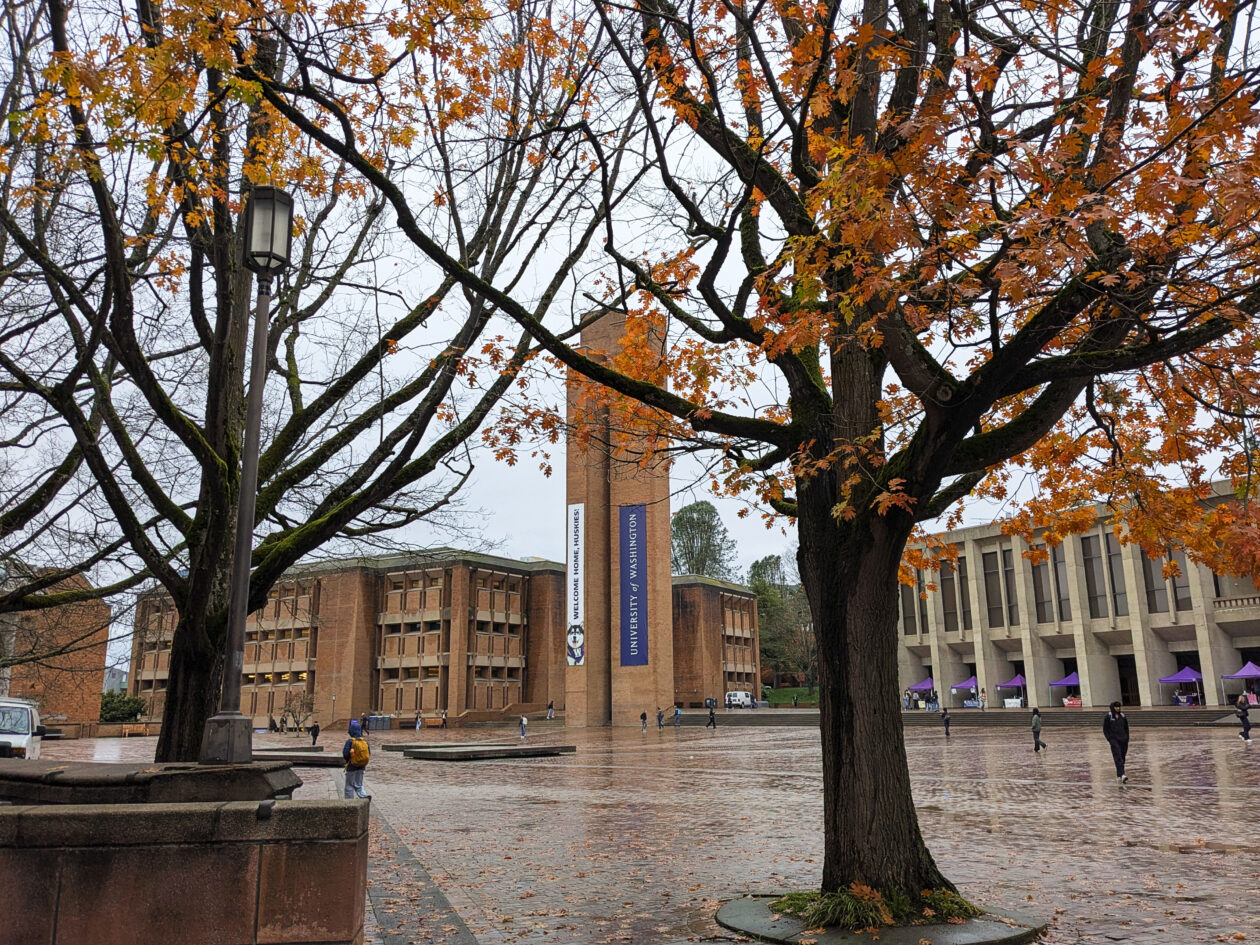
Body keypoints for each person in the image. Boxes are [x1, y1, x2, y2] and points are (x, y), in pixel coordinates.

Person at [342, 719, 370, 799]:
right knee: (359, 784)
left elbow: (345, 753)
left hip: (352, 765)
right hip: (362, 766)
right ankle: (364, 796)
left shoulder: (350, 741)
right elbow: (369, 753)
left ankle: (349, 801)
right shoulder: (364, 742)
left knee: (349, 785)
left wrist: (348, 760)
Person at [1103, 701, 1130, 782]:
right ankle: (1122, 774)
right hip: (1114, 740)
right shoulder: (1108, 717)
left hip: (1123, 740)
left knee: (1122, 757)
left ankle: (1119, 774)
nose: (1117, 708)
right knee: (1118, 756)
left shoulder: (1122, 716)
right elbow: (1105, 729)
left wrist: (1127, 737)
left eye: (1119, 707)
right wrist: (1110, 739)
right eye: (1116, 707)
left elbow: (1126, 728)